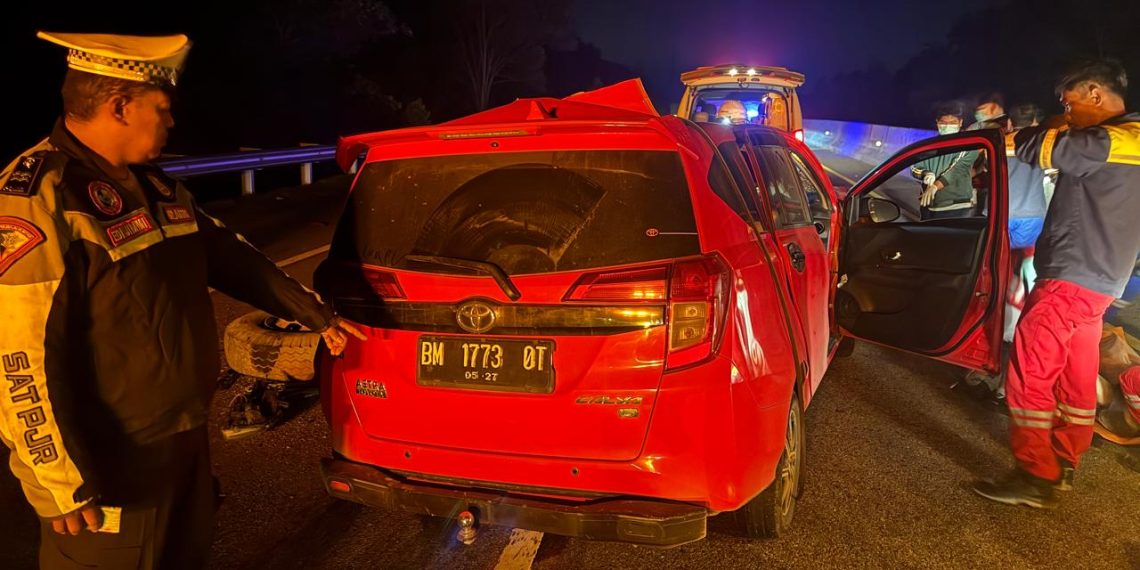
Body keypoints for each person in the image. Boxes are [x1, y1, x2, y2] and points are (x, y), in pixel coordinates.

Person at [0, 32, 364, 568]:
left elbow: (229, 255)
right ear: (119, 106)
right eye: (163, 109)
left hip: (184, 441)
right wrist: (57, 481)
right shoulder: (40, 197)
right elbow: (18, 357)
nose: (172, 123)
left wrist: (314, 314)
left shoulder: (156, 187)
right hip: (111, 463)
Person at [973, 58, 1140, 509]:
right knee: (1076, 377)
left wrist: (1034, 132)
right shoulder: (1123, 141)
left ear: (1094, 93)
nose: (1067, 115)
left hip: (1071, 279)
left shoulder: (1113, 139)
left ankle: (1036, 474)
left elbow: (1047, 148)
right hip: (1098, 281)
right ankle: (1065, 459)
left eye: (1069, 105)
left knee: (1029, 372)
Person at [959, 104, 1050, 401]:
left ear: (1010, 121)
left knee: (992, 281)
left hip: (1000, 215)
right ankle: (1010, 362)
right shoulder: (1043, 142)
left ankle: (985, 347)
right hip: (1032, 219)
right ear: (1035, 121)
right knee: (1023, 285)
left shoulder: (1000, 141)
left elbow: (982, 174)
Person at [910, 107, 978, 219]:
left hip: (958, 207)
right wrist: (925, 173)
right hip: (929, 206)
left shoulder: (968, 145)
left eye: (952, 122)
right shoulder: (929, 146)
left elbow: (956, 170)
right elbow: (914, 167)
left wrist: (935, 187)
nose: (948, 126)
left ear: (960, 122)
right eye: (943, 122)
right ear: (937, 122)